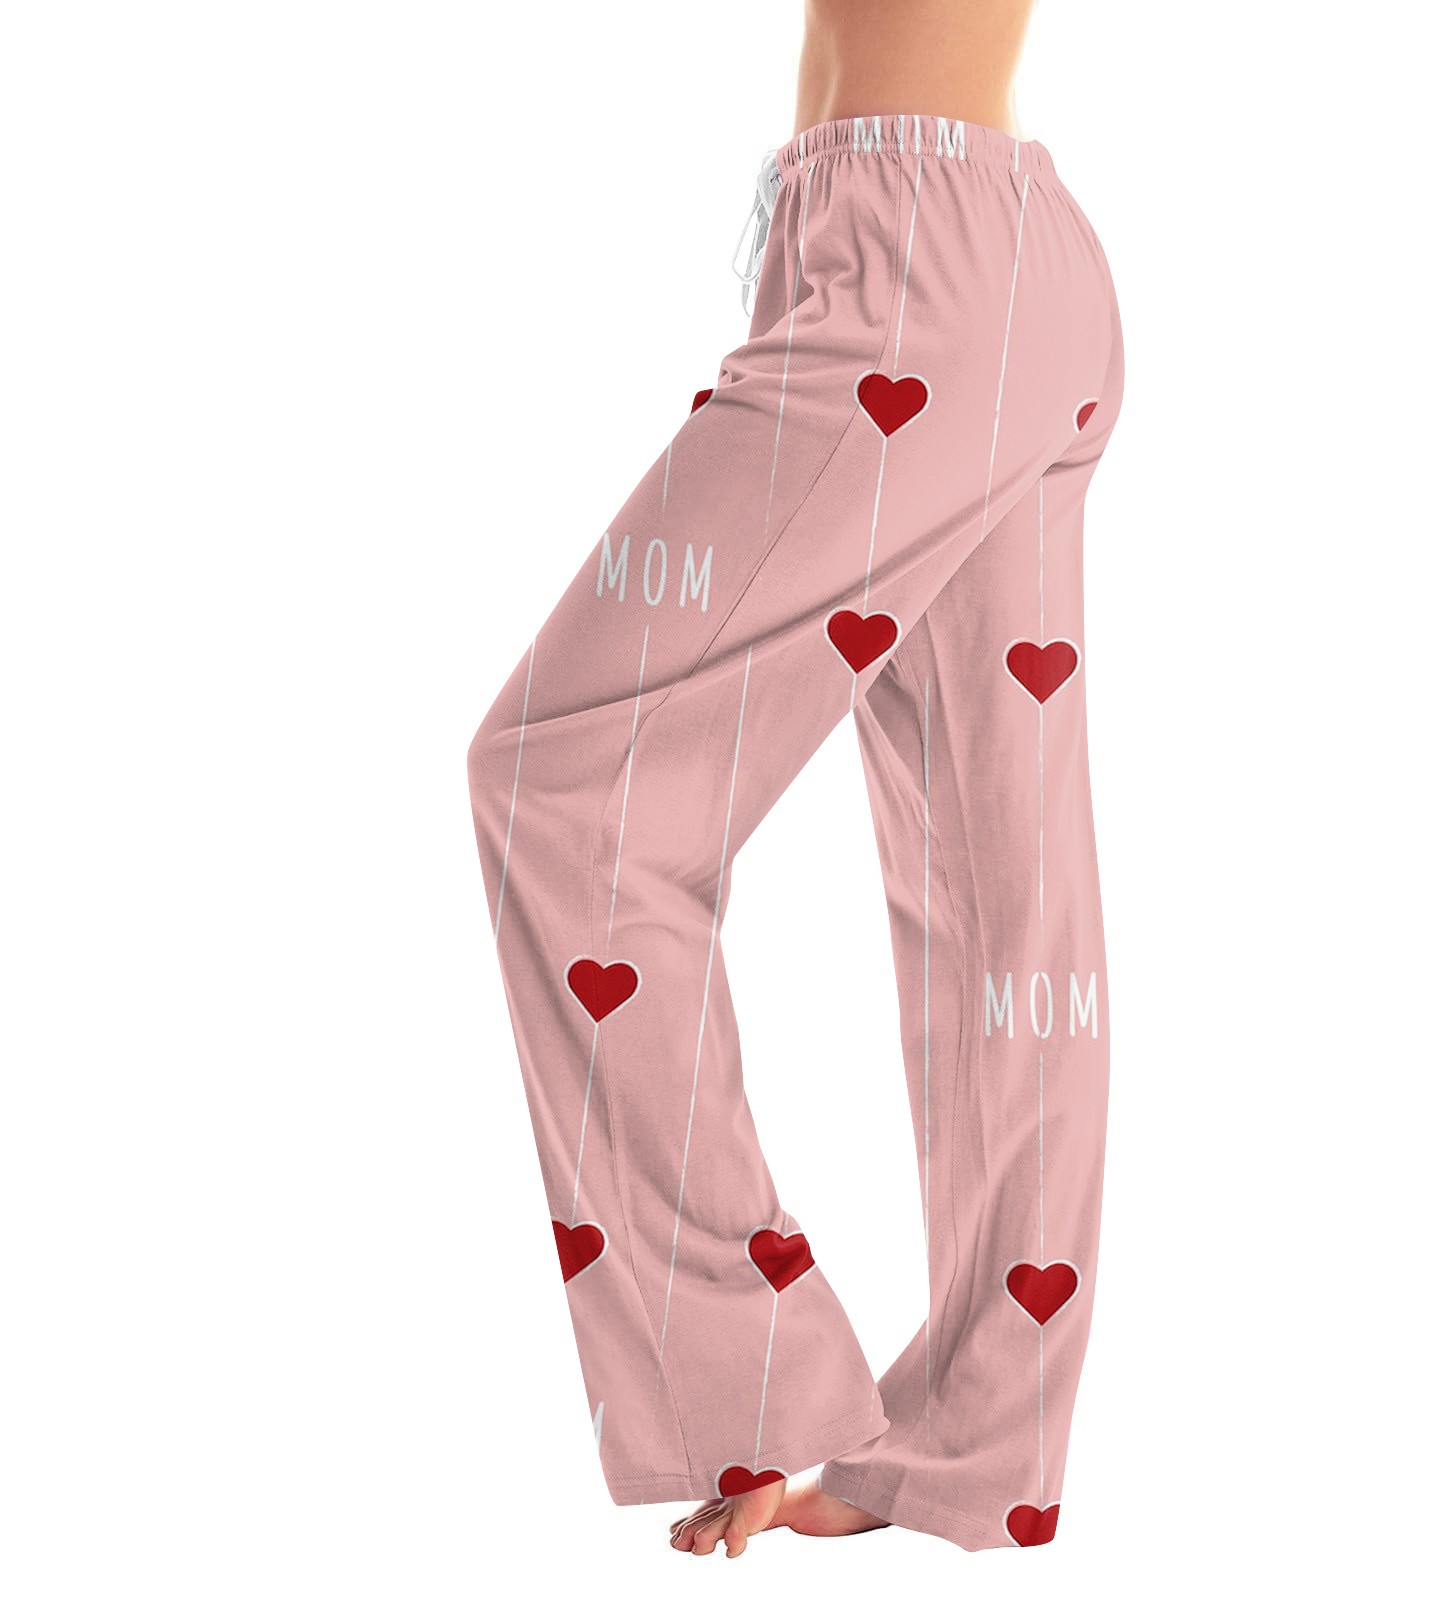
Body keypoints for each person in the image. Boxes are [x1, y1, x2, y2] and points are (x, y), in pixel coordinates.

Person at [465, 0, 1123, 1559]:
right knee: (1005, 903)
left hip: (916, 267)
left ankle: (743, 1374)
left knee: (561, 782)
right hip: (983, 264)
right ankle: (982, 1449)